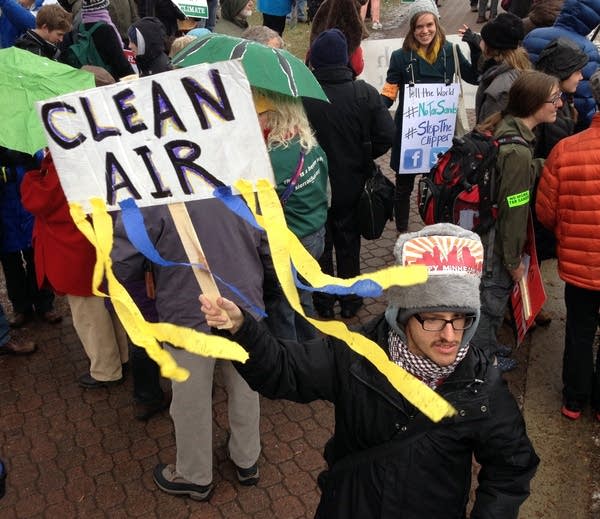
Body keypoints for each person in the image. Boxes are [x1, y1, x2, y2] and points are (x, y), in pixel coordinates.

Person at [200, 223, 540, 518]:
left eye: (461, 319)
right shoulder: (355, 355)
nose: (450, 335)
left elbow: (511, 466)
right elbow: (282, 371)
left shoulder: (481, 384)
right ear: (405, 315)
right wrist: (242, 328)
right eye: (434, 319)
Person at [112, 197, 267, 501]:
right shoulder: (239, 172)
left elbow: (124, 262)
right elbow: (267, 240)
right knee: (246, 384)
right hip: (243, 301)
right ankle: (247, 459)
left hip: (188, 308)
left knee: (190, 398)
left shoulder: (151, 190)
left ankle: (195, 475)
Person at [469, 70, 562, 372]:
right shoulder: (517, 152)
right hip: (498, 243)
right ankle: (483, 362)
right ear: (534, 104)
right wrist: (512, 262)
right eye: (554, 99)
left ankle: (488, 348)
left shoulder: (507, 127)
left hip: (487, 229)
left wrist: (540, 165)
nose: (559, 104)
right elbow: (514, 209)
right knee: (492, 301)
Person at [304, 29, 394, 319]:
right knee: (348, 244)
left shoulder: (302, 95)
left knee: (321, 244)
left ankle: (324, 300)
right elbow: (387, 135)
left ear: (314, 61)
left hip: (313, 184)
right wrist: (364, 153)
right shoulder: (365, 93)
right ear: (345, 61)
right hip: (352, 183)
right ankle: (351, 300)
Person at [21, 154, 129, 388]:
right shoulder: (89, 151)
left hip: (73, 249)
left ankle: (106, 371)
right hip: (93, 240)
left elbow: (40, 201)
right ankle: (122, 357)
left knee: (89, 315)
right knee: (107, 306)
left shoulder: (64, 158)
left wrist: (30, 173)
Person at [380, 0, 480, 233]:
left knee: (441, 182)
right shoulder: (400, 57)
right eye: (418, 27)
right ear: (411, 30)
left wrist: (475, 48)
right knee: (404, 186)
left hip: (441, 134)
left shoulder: (451, 52)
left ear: (436, 23)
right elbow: (389, 92)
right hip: (410, 133)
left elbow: (474, 77)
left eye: (429, 25)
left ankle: (438, 227)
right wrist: (370, 107)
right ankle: (403, 230)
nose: (424, 31)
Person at [535, 69, 600, 422]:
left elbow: (546, 210)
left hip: (578, 263)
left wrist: (568, 232)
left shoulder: (566, 149)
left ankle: (574, 400)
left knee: (578, 329)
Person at [254, 88, 329, 341]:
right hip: (315, 236)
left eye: (260, 113)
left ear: (274, 116)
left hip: (288, 246)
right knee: (304, 298)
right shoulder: (309, 144)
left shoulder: (269, 160)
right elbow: (326, 192)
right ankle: (313, 349)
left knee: (282, 308)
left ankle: (292, 362)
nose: (255, 117)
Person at [0, 148, 61, 328]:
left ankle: (45, 305)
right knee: (11, 266)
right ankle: (21, 308)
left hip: (29, 212)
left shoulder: (29, 146)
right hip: (4, 215)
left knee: (37, 259)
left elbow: (43, 172)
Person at [523, 0, 600, 131]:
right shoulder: (587, 49)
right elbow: (584, 98)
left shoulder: (533, 34)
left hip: (529, 107)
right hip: (562, 116)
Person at [470, 13, 530, 124]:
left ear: (491, 46)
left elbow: (488, 125)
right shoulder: (521, 65)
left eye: (483, 39)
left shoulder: (499, 88)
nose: (480, 41)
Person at [65, 0, 135, 80]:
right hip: (109, 80)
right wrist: (134, 81)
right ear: (105, 7)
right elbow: (122, 66)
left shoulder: (79, 27)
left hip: (90, 80)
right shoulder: (106, 30)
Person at [308, 0, 368, 77]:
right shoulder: (349, 5)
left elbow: (315, 34)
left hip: (319, 72)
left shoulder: (325, 4)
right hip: (343, 75)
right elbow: (357, 66)